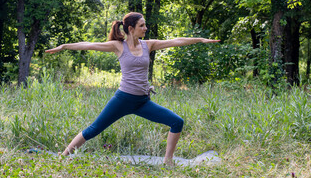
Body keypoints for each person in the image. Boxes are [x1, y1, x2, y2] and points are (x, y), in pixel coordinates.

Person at [45, 12, 220, 164]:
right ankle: (63, 155)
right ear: (131, 28)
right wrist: (64, 46)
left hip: (143, 102)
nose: (145, 28)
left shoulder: (148, 45)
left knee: (177, 122)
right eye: (142, 25)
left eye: (145, 25)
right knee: (94, 129)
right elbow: (89, 45)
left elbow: (175, 41)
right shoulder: (118, 46)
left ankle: (168, 161)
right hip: (123, 99)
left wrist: (199, 40)